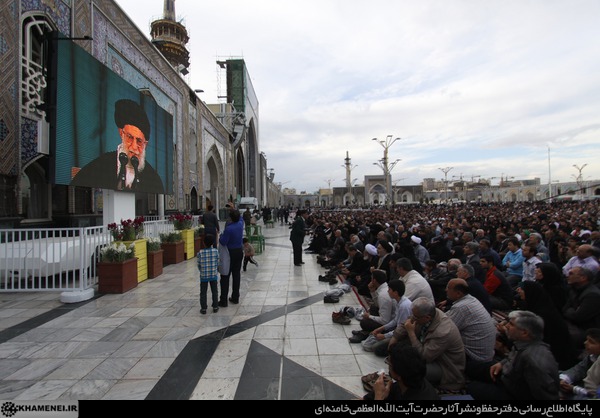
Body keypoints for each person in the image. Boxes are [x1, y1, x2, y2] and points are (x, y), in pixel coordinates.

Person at [70, 98, 164, 193]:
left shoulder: (153, 179)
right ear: (121, 133)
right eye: (130, 137)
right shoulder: (99, 166)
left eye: (139, 141)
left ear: (145, 144)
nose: (134, 147)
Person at [467, 310, 560, 400]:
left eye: (511, 324)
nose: (506, 326)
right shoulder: (523, 343)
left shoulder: (533, 361)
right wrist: (502, 364)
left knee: (472, 388)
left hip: (512, 391)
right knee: (471, 367)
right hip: (507, 375)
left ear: (524, 332)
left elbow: (544, 395)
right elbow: (512, 357)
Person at [389, 297, 466, 392]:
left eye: (415, 317)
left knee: (407, 369)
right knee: (393, 350)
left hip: (445, 366)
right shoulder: (424, 314)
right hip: (427, 350)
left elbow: (424, 357)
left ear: (427, 318)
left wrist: (411, 333)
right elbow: (406, 323)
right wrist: (394, 340)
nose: (413, 318)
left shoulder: (443, 331)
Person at [516, 281, 577, 370]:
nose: (518, 290)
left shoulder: (543, 315)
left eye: (522, 289)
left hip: (554, 356)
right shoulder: (536, 306)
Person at [444, 278, 497, 378]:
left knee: (438, 341)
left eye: (448, 288)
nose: (445, 290)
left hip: (475, 359)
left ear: (458, 293)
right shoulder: (471, 299)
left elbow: (444, 329)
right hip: (486, 355)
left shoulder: (462, 307)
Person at [364, 344, 440, 401]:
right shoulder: (405, 383)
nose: (388, 367)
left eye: (389, 364)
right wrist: (378, 392)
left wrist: (379, 396)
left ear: (399, 375)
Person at [348, 270, 394, 343]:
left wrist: (369, 316)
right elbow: (377, 304)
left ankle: (365, 334)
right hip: (387, 316)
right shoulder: (384, 287)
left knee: (364, 322)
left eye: (371, 278)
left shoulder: (383, 295)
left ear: (374, 280)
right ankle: (366, 331)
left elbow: (385, 321)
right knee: (373, 308)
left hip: (390, 324)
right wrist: (372, 291)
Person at [562, 267, 600, 347]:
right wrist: (573, 310)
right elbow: (564, 309)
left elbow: (579, 317)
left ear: (583, 278)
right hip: (574, 326)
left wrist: (571, 310)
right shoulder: (574, 290)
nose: (567, 276)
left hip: (587, 330)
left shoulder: (592, 295)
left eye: (571, 274)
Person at [559, 328, 600, 399]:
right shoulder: (591, 357)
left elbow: (594, 393)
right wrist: (564, 379)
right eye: (587, 340)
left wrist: (574, 389)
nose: (585, 343)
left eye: (591, 342)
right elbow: (578, 369)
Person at [218, 209, 244, 306]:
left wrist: (221, 236)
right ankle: (235, 297)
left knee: (225, 276)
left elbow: (223, 241)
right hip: (239, 252)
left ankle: (223, 300)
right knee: (236, 275)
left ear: (230, 218)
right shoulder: (240, 224)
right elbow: (241, 218)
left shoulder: (229, 229)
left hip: (230, 253)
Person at [196, 234, 219, 315]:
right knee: (214, 291)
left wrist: (202, 271)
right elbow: (217, 263)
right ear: (213, 243)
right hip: (213, 275)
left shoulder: (200, 253)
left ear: (203, 243)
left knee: (203, 292)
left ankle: (203, 308)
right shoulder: (216, 251)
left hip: (204, 276)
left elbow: (198, 265)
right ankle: (215, 306)